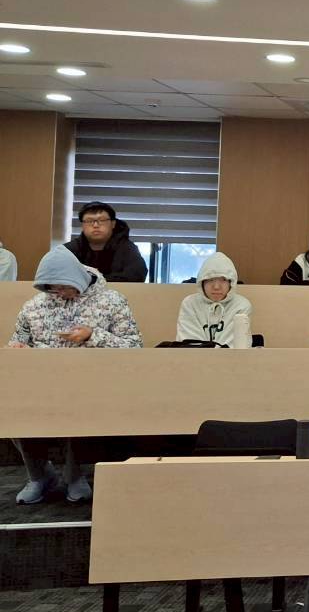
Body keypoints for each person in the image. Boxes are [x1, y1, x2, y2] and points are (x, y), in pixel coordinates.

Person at [8, 248, 144, 505]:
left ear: (77, 278)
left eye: (63, 286)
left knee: (78, 404)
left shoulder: (112, 301)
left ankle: (74, 476)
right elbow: (18, 342)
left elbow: (134, 346)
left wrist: (92, 335)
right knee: (10, 407)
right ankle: (39, 475)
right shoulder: (33, 306)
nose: (58, 293)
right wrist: (18, 349)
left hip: (92, 383)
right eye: (52, 288)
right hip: (41, 382)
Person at [175, 252, 252, 345]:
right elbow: (189, 344)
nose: (216, 287)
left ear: (231, 282)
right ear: (202, 282)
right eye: (210, 280)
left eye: (223, 280)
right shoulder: (190, 304)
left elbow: (234, 346)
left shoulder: (241, 306)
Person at [63, 201, 146, 283]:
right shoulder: (68, 250)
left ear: (113, 224)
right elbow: (60, 277)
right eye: (89, 221)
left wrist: (90, 280)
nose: (95, 225)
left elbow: (137, 276)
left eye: (102, 220)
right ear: (83, 225)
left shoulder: (127, 249)